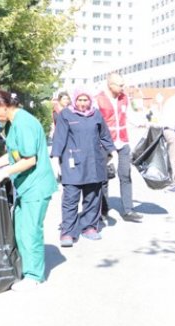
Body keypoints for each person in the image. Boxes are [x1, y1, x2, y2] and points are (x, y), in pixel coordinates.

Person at [0, 88, 58, 292]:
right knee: (20, 229)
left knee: (31, 230)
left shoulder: (23, 123)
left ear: (3, 106)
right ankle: (26, 270)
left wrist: (4, 173)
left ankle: (34, 276)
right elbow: (13, 155)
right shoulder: (11, 124)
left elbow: (30, 159)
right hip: (25, 186)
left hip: (36, 186)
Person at [51, 88, 117, 247]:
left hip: (94, 162)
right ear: (75, 100)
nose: (82, 103)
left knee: (93, 197)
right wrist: (55, 159)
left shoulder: (96, 114)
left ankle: (89, 227)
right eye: (79, 100)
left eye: (85, 100)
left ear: (90, 101)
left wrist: (114, 152)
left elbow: (105, 136)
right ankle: (67, 232)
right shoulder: (66, 114)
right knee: (70, 198)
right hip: (73, 162)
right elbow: (59, 138)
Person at [95, 73, 143, 222]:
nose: (123, 87)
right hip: (104, 144)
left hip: (122, 141)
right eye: (120, 85)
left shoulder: (124, 99)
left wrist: (145, 122)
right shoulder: (98, 100)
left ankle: (128, 210)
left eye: (123, 84)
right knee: (103, 178)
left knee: (126, 175)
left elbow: (131, 116)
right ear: (111, 85)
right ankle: (103, 210)